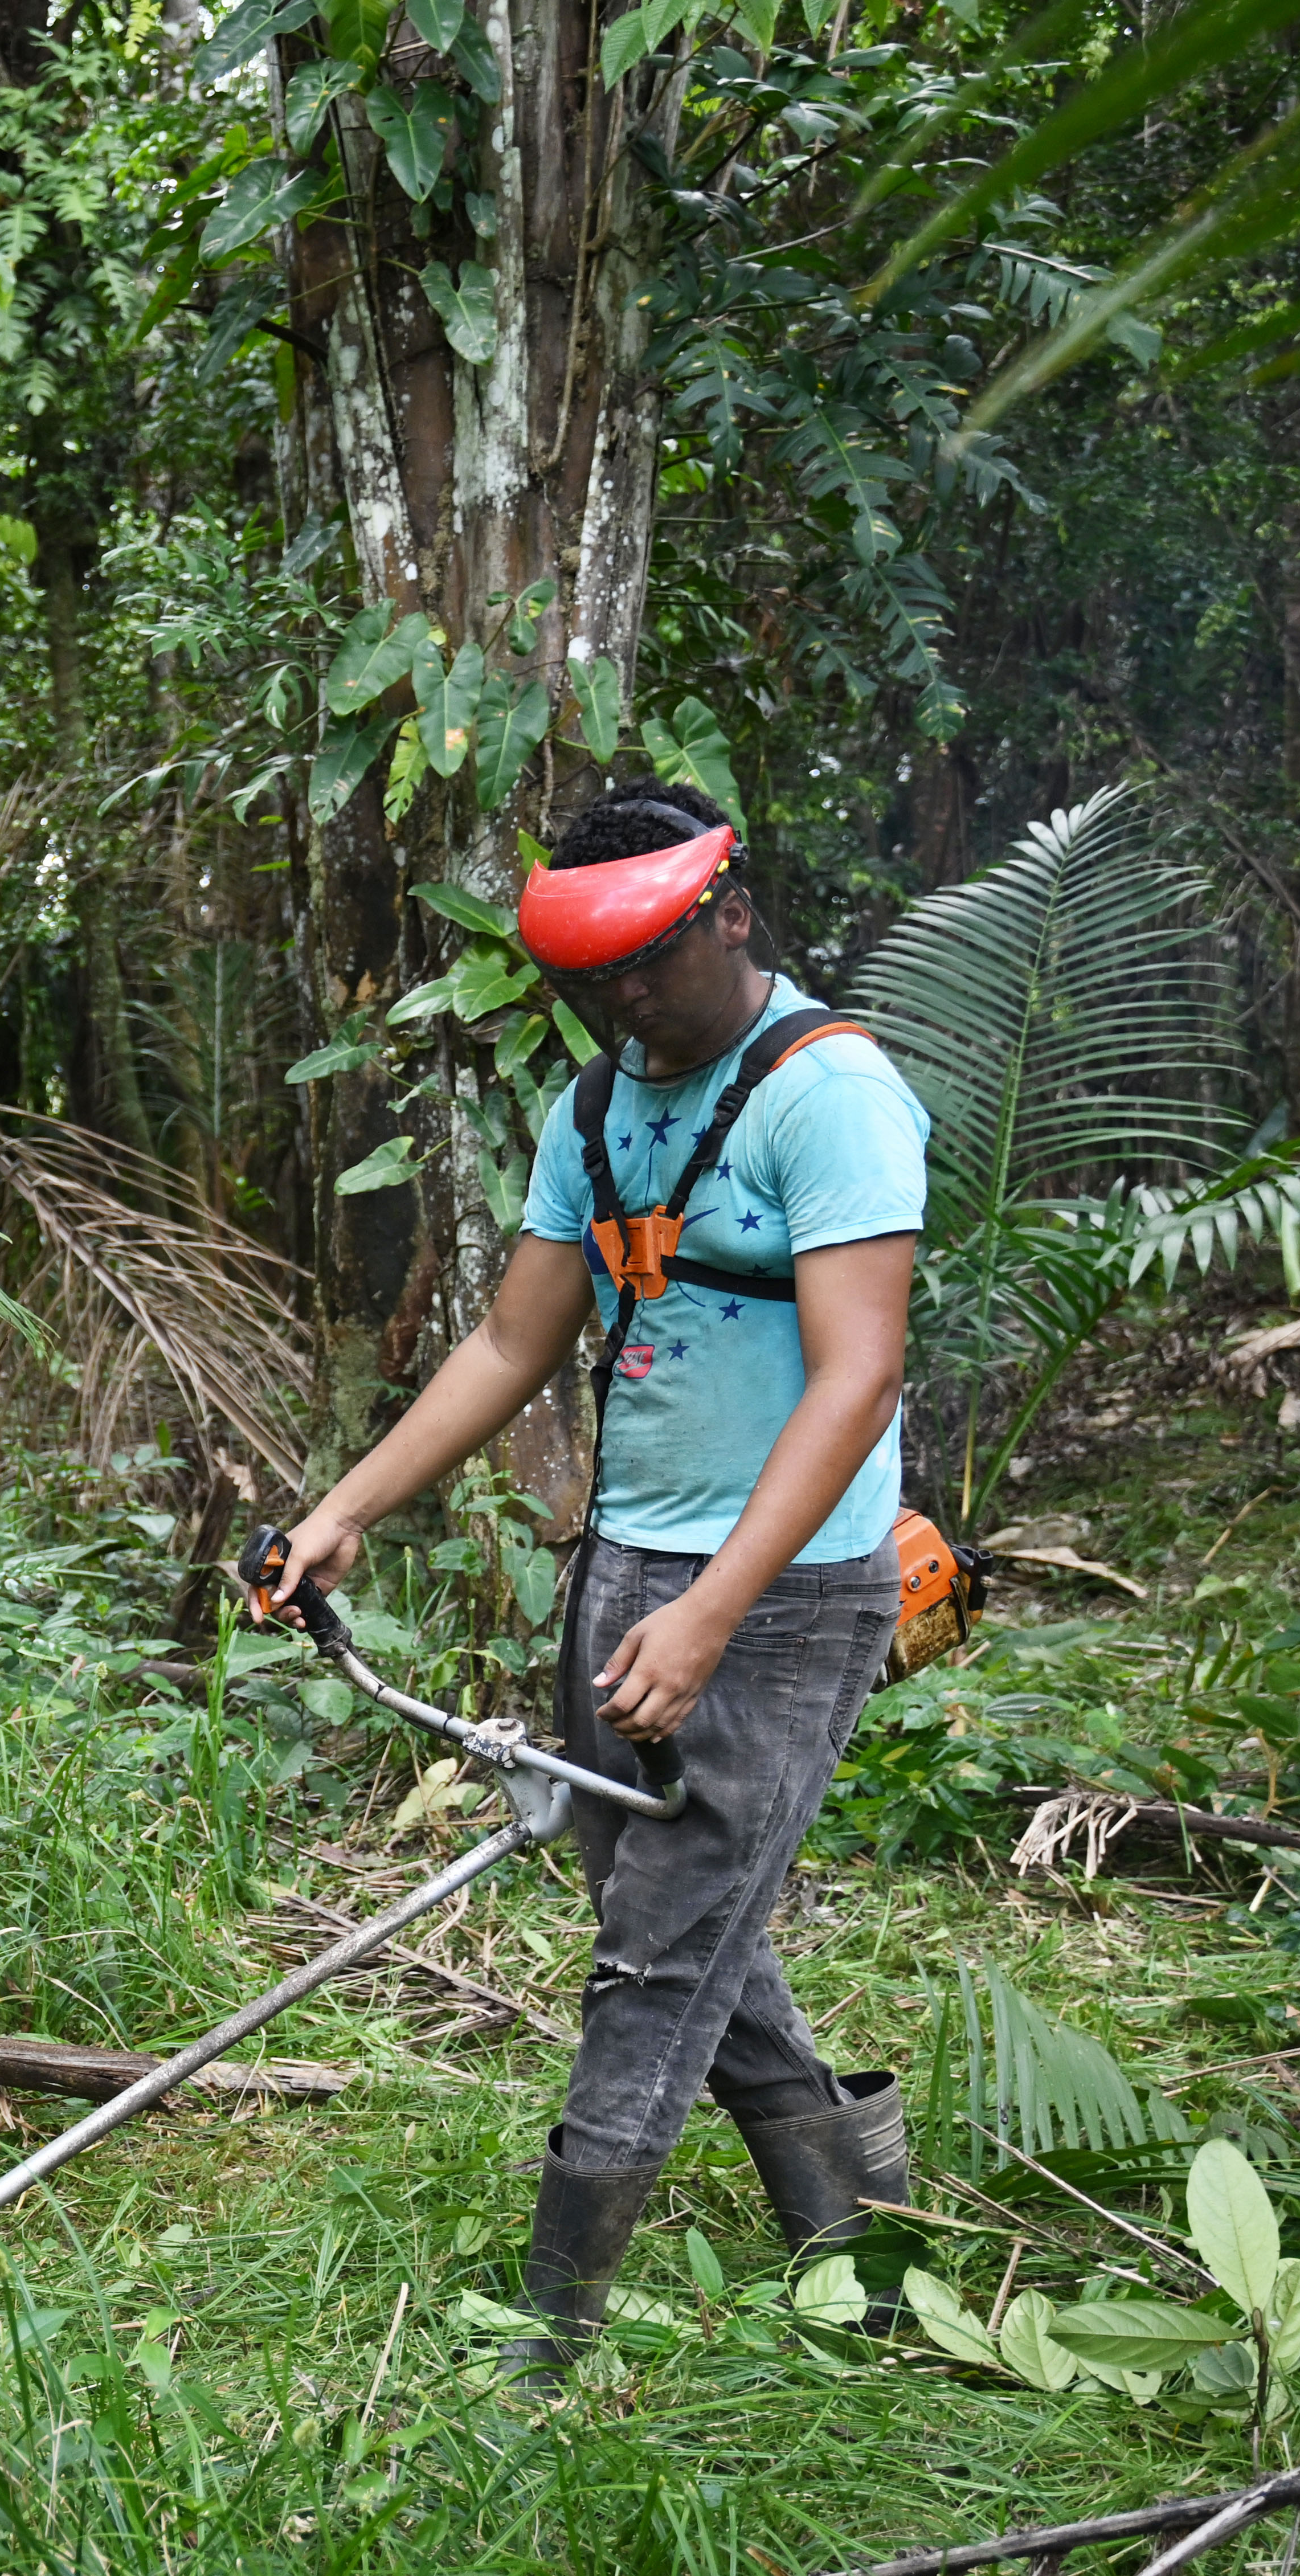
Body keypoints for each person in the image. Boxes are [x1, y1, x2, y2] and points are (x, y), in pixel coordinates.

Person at [258, 779, 933, 2367]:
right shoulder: (597, 1105)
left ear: (734, 918)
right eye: (591, 976)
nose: (622, 1001)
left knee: (658, 1952)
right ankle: (869, 2255)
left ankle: (553, 2329)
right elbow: (512, 1340)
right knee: (696, 1920)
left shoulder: (828, 1095)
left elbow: (856, 1380)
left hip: (781, 1594)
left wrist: (710, 1617)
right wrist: (347, 1507)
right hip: (629, 1565)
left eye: (647, 963)